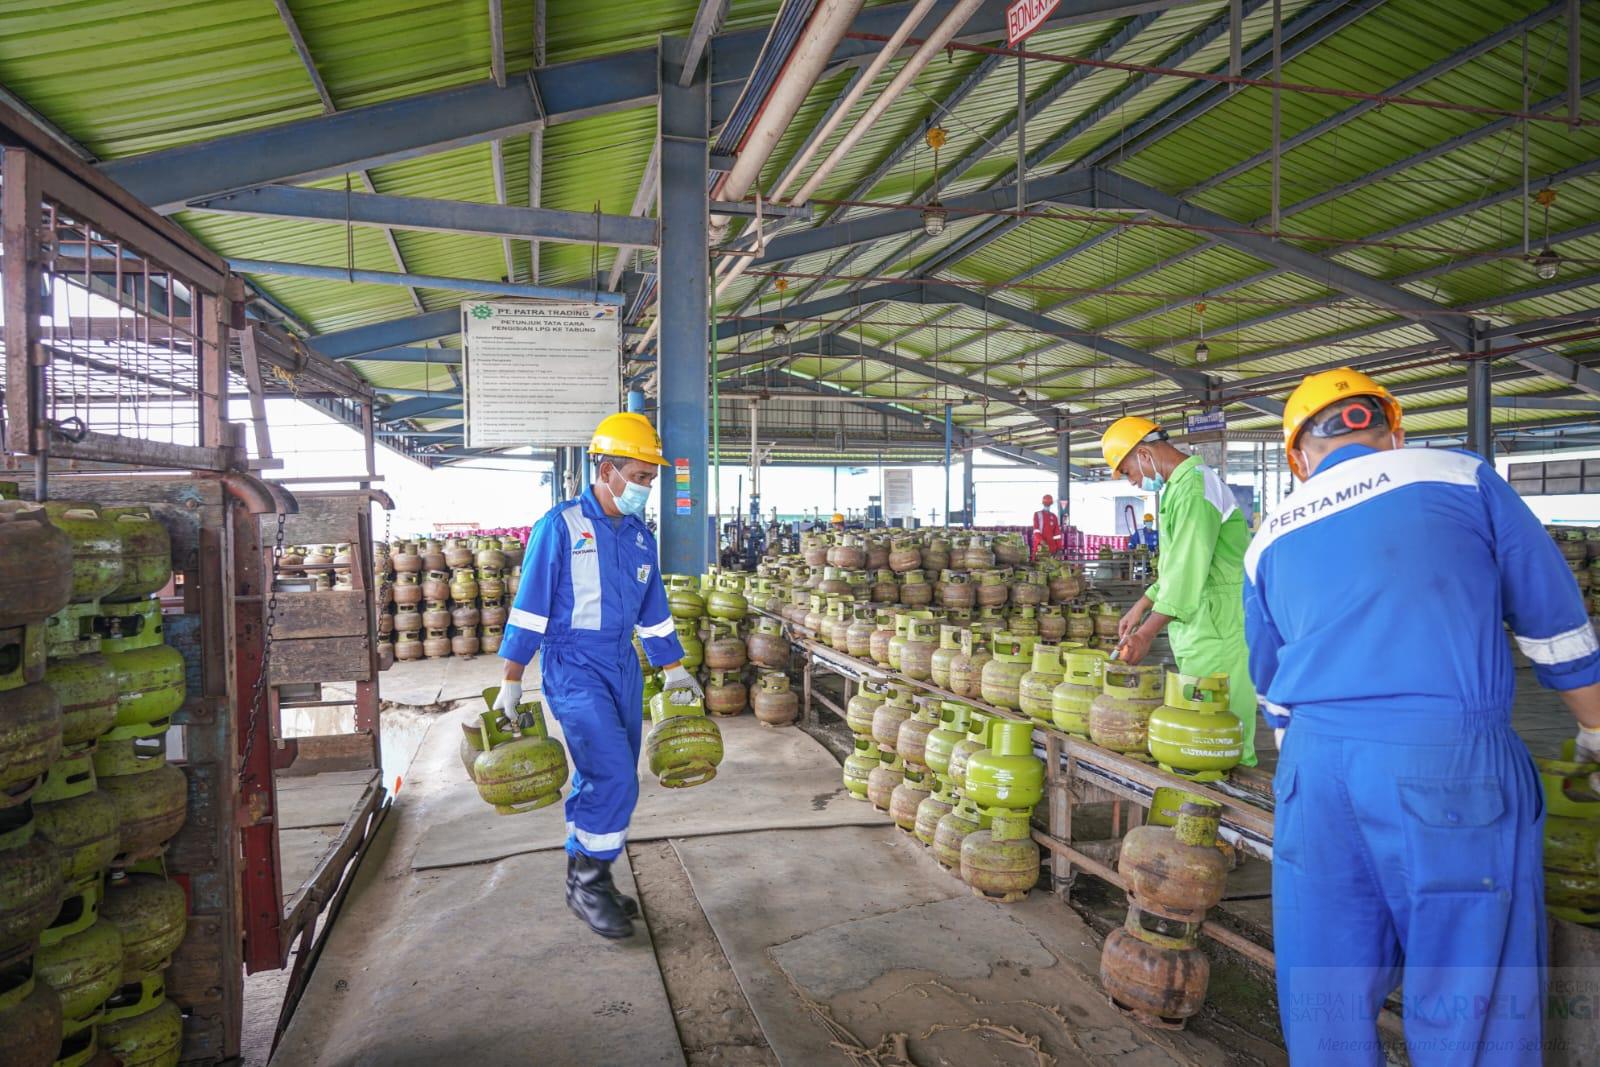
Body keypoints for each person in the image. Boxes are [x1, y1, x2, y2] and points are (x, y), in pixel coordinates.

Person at [1243, 368, 1600, 1063]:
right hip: (1447, 770)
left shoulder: (1270, 535)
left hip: (1313, 776)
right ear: (1391, 429)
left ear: (1298, 457)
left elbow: (1272, 687)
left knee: (1326, 997)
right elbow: (1556, 625)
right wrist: (1594, 728)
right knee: (1471, 998)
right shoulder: (1458, 475)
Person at [495, 412, 702, 940]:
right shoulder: (560, 526)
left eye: (651, 480)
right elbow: (529, 609)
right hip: (574, 665)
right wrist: (512, 678)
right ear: (605, 470)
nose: (645, 489)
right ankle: (588, 883)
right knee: (613, 773)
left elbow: (653, 610)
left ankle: (589, 872)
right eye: (639, 477)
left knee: (603, 773)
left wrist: (674, 669)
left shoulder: (638, 537)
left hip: (622, 663)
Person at [1101, 416, 1257, 766]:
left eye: (1128, 471)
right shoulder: (1180, 487)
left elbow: (1186, 574)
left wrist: (1145, 635)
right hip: (1201, 625)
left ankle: (1234, 808)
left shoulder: (1195, 488)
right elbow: (1176, 568)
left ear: (1144, 453)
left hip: (1220, 624)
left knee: (1220, 732)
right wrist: (1141, 605)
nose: (1135, 481)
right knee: (1199, 734)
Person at [1032, 494, 1063, 558]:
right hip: (1040, 547)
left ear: (1051, 504)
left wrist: (1059, 548)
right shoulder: (1037, 514)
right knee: (1038, 566)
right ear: (1043, 504)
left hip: (1052, 548)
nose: (1047, 505)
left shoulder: (1054, 516)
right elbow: (1036, 530)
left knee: (1051, 566)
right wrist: (1041, 540)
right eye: (1046, 504)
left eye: (1048, 504)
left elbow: (1057, 534)